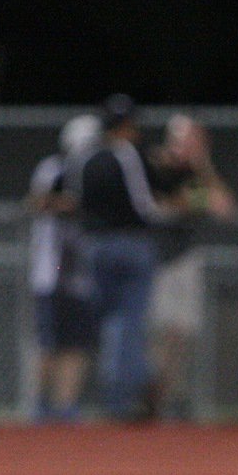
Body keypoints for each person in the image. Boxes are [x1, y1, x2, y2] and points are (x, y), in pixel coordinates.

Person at [78, 94, 170, 420]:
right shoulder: (126, 154)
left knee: (110, 323)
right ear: (126, 126)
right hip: (130, 243)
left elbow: (80, 203)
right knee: (128, 323)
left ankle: (120, 393)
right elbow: (144, 203)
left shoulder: (87, 156)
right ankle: (124, 399)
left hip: (94, 245)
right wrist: (168, 214)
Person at [145, 114, 237, 418]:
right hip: (156, 259)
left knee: (181, 331)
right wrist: (192, 201)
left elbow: (224, 207)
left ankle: (167, 397)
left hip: (186, 258)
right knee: (157, 330)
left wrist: (203, 165)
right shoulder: (153, 166)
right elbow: (161, 205)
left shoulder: (197, 173)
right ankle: (152, 397)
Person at [25, 113, 101, 420]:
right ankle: (40, 404)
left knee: (77, 342)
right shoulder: (53, 169)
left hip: (81, 274)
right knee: (48, 340)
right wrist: (70, 202)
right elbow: (38, 202)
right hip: (51, 272)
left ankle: (66, 405)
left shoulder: (97, 173)